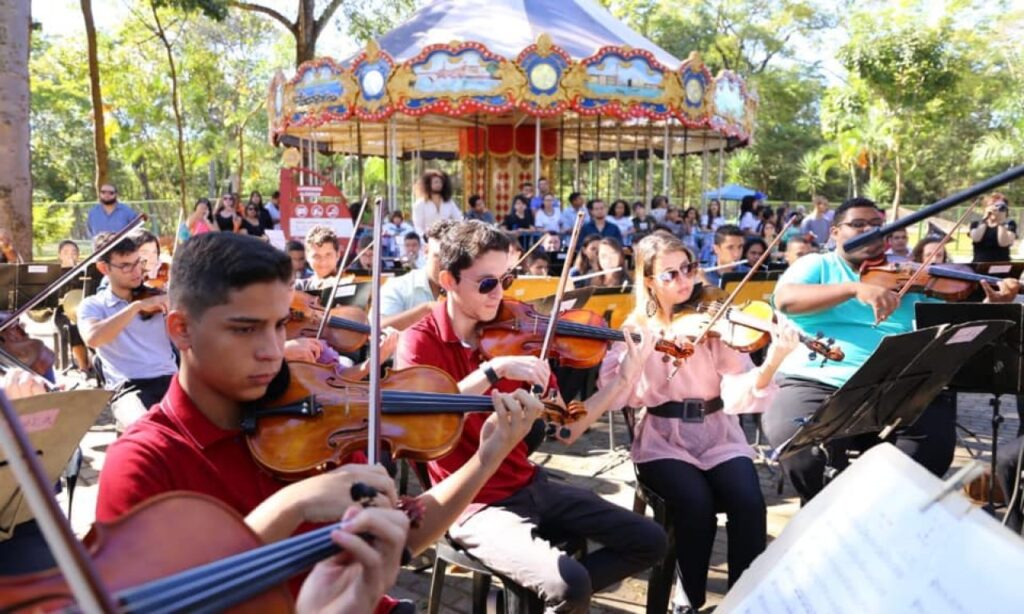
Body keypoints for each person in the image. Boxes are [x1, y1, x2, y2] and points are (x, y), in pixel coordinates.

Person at [95, 232, 546, 611]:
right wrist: (292, 506)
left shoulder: (311, 411)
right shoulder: (144, 459)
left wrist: (486, 460)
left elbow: (403, 533)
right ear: (181, 330)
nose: (272, 350)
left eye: (279, 326)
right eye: (245, 329)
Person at [395, 220, 667, 612]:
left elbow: (569, 428)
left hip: (527, 482)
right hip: (470, 504)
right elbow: (421, 411)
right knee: (569, 585)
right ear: (448, 280)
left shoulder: (521, 333)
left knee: (650, 540)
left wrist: (621, 380)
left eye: (505, 279)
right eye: (486, 284)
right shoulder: (420, 339)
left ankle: (531, 602)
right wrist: (494, 371)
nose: (500, 294)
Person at [764, 197, 1020, 503]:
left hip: (903, 384)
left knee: (930, 451)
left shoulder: (912, 275)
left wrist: (991, 305)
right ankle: (834, 514)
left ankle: (884, 514)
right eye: (858, 224)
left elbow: (956, 324)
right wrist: (853, 288)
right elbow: (786, 298)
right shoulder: (817, 265)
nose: (869, 231)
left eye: (877, 225)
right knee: (797, 443)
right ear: (834, 232)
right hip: (818, 381)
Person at [599, 231, 800, 610]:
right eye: (669, 274)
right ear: (648, 282)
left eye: (687, 269)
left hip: (719, 433)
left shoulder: (716, 321)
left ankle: (744, 598)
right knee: (696, 506)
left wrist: (772, 361)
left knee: (749, 503)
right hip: (662, 439)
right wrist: (660, 343)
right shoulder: (634, 328)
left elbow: (739, 392)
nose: (683, 281)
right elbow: (617, 393)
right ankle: (688, 597)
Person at [77, 232, 178, 412]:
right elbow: (93, 338)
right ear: (104, 268)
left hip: (171, 380)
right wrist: (135, 308)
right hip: (128, 387)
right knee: (147, 430)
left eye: (139, 262)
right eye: (126, 266)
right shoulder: (92, 305)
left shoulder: (159, 298)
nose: (137, 271)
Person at [379, 221, 453, 331]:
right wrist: (427, 309)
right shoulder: (397, 286)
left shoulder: (469, 286)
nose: (446, 264)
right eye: (439, 257)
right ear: (426, 251)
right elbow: (377, 328)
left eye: (453, 258)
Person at [54, 240, 90, 373]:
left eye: (74, 252)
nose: (70, 255)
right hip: (62, 311)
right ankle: (83, 366)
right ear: (59, 255)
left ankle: (96, 360)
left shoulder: (85, 271)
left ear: (78, 255)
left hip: (84, 309)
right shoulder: (54, 273)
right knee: (73, 327)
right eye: (66, 252)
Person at [411, 169, 462, 237]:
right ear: (428, 184)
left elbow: (459, 219)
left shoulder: (449, 202)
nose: (439, 184)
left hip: (446, 240)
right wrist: (424, 237)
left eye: (440, 182)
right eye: (436, 182)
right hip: (427, 240)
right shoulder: (420, 204)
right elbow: (417, 226)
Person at [970, 192, 1017, 262]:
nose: (996, 208)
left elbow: (1003, 243)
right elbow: (976, 238)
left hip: (1001, 265)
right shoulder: (976, 223)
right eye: (993, 205)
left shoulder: (1010, 224)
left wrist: (1001, 222)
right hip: (980, 264)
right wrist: (985, 219)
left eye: (1000, 206)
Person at [294, 225, 343, 293]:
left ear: (338, 255)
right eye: (316, 256)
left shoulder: (349, 283)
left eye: (328, 255)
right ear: (307, 256)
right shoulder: (299, 287)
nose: (323, 262)